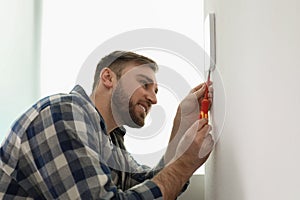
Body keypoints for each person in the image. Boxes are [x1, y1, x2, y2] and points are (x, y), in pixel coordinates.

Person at [0, 51, 214, 199]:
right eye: (144, 83)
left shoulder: (111, 140)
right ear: (108, 78)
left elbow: (148, 183)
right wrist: (185, 163)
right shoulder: (63, 114)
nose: (154, 98)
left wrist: (181, 124)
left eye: (156, 91)